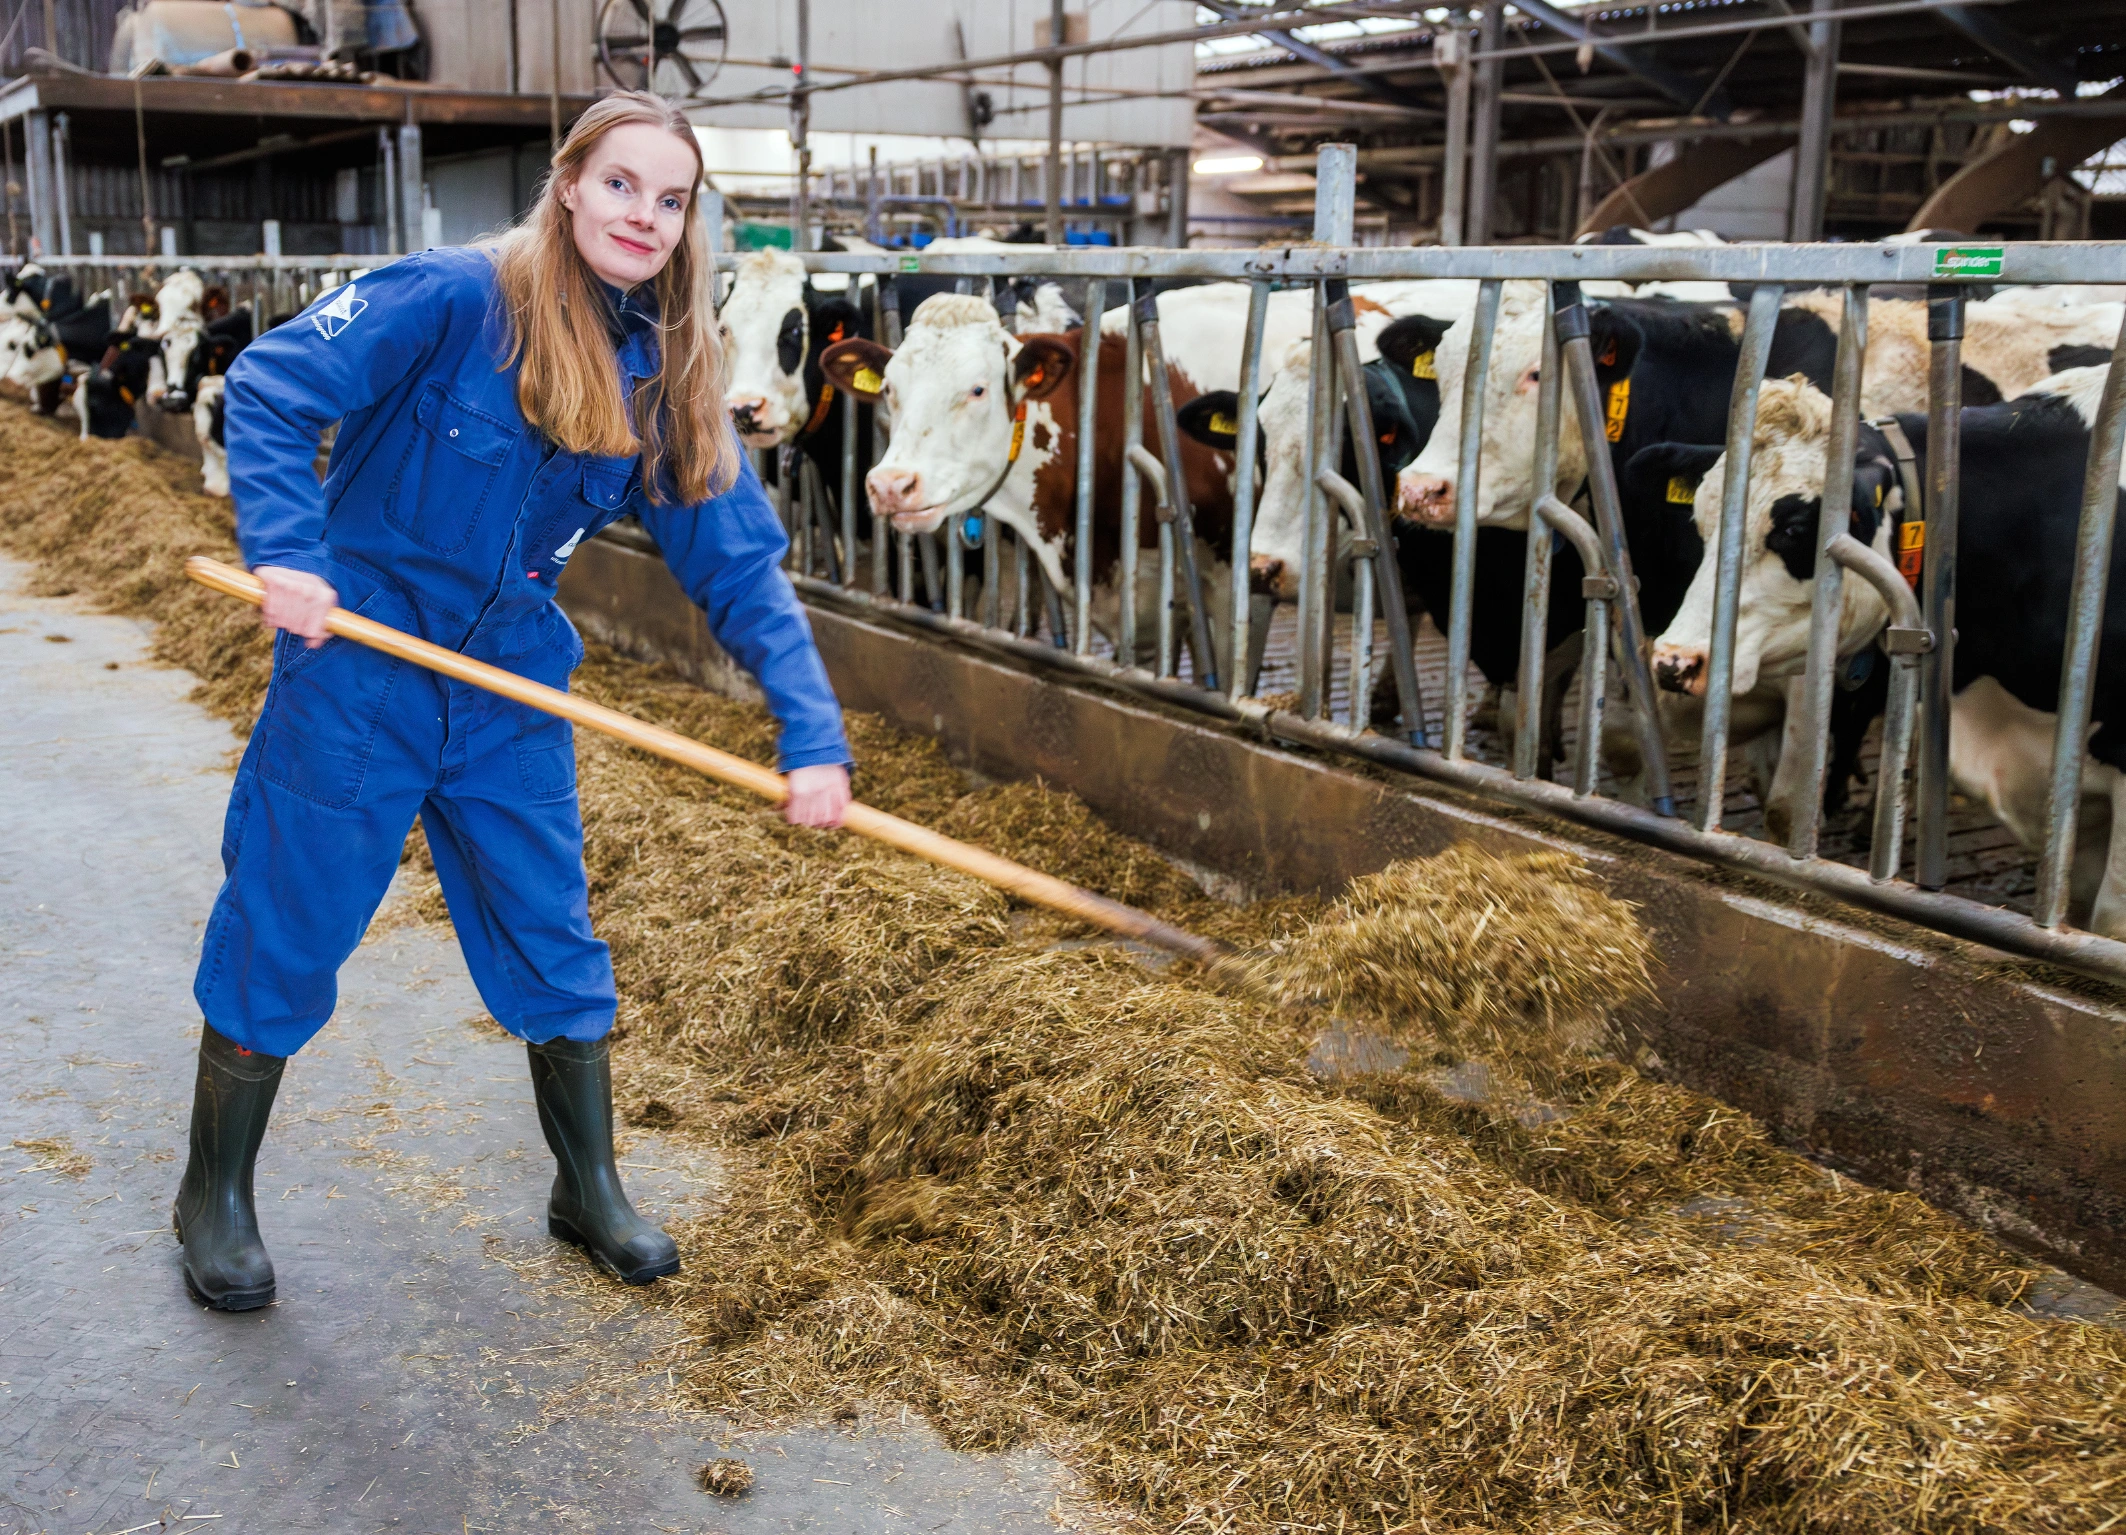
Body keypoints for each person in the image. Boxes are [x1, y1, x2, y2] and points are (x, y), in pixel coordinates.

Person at [174, 92, 852, 1310]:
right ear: (570, 184)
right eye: (621, 185)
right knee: (290, 921)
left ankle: (584, 1185)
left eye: (671, 196)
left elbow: (739, 570)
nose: (643, 214)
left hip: (505, 690)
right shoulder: (452, 297)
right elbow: (272, 385)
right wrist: (287, 548)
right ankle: (211, 1194)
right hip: (361, 671)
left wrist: (812, 733)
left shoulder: (667, 371)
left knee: (556, 939)